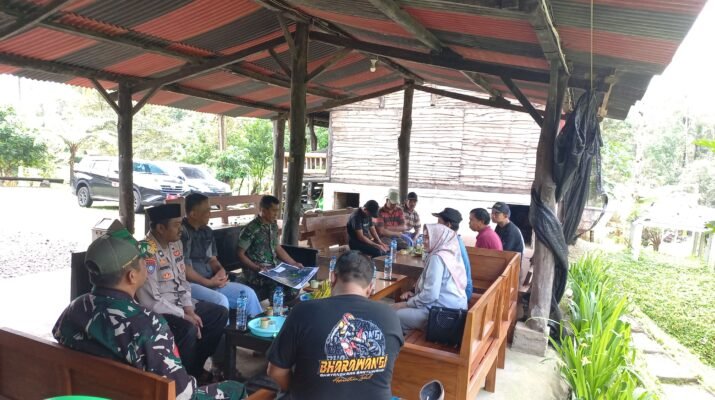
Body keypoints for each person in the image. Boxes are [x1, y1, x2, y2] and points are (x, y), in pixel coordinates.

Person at [53, 223, 245, 400]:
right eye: (143, 262)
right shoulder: (147, 325)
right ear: (132, 276)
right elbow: (182, 395)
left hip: (88, 393)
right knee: (235, 389)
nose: (147, 265)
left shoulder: (73, 309)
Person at [266, 251, 404, 400]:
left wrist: (294, 390)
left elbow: (276, 372)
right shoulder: (390, 316)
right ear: (370, 287)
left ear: (332, 278)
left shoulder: (303, 311)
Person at [136, 204, 228, 380]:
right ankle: (181, 379)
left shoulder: (175, 244)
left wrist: (189, 309)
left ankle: (195, 370)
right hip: (159, 312)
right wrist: (184, 315)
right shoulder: (145, 251)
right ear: (161, 228)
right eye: (177, 225)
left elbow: (182, 281)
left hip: (180, 306)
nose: (182, 229)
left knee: (218, 314)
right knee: (188, 329)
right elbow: (151, 302)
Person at [181, 192, 262, 316]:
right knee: (221, 301)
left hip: (211, 280)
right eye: (207, 211)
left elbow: (212, 259)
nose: (210, 214)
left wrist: (220, 271)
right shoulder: (182, 233)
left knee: (248, 294)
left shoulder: (207, 231)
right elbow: (184, 268)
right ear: (193, 214)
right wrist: (208, 283)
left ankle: (256, 326)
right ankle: (224, 329)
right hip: (190, 285)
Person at [392, 224, 468, 333]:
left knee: (394, 315)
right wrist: (415, 295)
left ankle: (406, 342)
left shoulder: (437, 258)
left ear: (439, 238)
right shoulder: (449, 254)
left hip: (442, 316)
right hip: (455, 311)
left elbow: (431, 294)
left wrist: (406, 304)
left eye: (429, 237)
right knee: (401, 308)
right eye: (424, 237)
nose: (424, 241)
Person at [237, 195, 304, 300]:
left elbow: (277, 247)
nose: (276, 214)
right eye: (274, 210)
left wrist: (294, 263)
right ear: (263, 210)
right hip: (255, 271)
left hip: (273, 267)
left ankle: (283, 306)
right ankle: (276, 306)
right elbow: (240, 254)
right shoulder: (251, 229)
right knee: (278, 284)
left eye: (277, 210)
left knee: (297, 278)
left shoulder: (273, 226)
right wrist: (257, 268)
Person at [433, 208, 473, 299]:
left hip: (461, 292)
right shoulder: (454, 239)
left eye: (439, 222)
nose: (436, 225)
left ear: (448, 225)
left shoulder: (453, 245)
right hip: (460, 289)